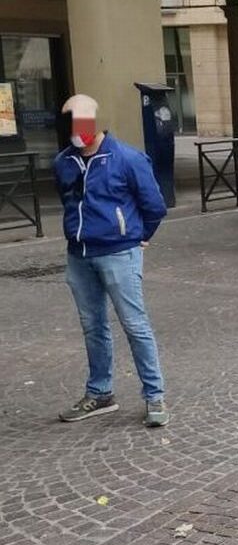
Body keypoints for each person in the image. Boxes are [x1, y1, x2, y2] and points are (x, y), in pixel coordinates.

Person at [53, 94, 170, 427]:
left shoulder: (126, 158)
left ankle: (154, 396)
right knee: (93, 327)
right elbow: (68, 201)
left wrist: (139, 236)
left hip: (119, 253)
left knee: (135, 325)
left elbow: (154, 205)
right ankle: (101, 393)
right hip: (79, 255)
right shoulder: (63, 162)